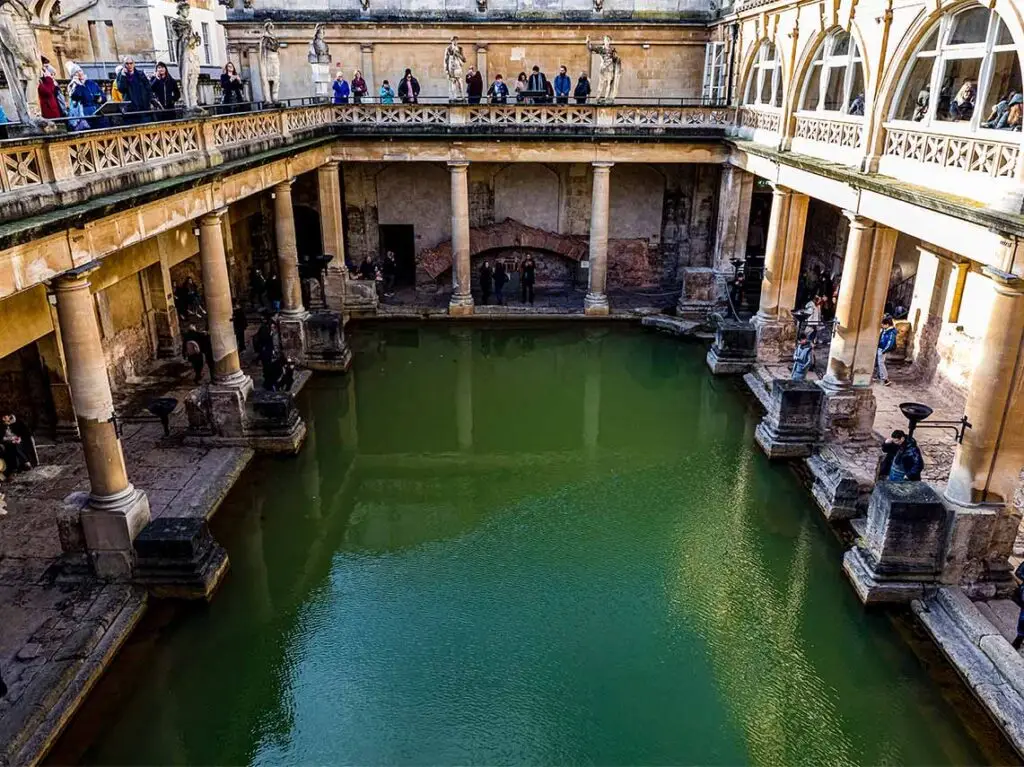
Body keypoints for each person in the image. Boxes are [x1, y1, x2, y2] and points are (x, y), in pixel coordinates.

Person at [876, 315, 897, 386]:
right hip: (880, 348)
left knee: (881, 363)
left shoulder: (891, 333)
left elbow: (890, 343)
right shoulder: (885, 330)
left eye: (883, 325)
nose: (882, 326)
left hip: (882, 349)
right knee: (879, 363)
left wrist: (884, 351)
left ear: (887, 325)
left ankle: (885, 379)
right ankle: (880, 376)